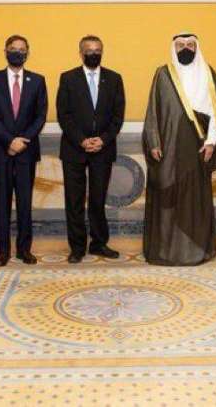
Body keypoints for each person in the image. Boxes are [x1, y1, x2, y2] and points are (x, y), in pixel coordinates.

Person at [142, 33, 216, 266]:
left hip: (197, 148)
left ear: (197, 48)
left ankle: (196, 250)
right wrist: (154, 142)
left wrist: (211, 142)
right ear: (173, 48)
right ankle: (166, 251)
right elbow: (153, 110)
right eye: (180, 45)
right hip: (168, 148)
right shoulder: (163, 74)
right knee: (168, 195)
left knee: (194, 197)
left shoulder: (208, 74)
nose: (185, 49)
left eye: (190, 45)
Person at [56, 35, 125, 263]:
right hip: (74, 149)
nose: (93, 54)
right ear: (81, 53)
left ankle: (99, 243)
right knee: (74, 201)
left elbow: (117, 116)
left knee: (98, 199)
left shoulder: (114, 79)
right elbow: (63, 114)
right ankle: (77, 247)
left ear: (102, 52)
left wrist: (102, 140)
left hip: (103, 149)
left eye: (97, 50)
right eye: (89, 50)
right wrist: (82, 140)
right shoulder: (68, 78)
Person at [0, 35, 47, 267]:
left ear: (28, 53)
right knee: (2, 203)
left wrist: (22, 141)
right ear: (5, 51)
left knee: (25, 203)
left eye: (21, 49)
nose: (17, 52)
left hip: (26, 152)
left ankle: (24, 249)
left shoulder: (37, 81)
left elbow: (40, 115)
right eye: (13, 48)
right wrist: (10, 141)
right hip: (2, 151)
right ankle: (3, 251)